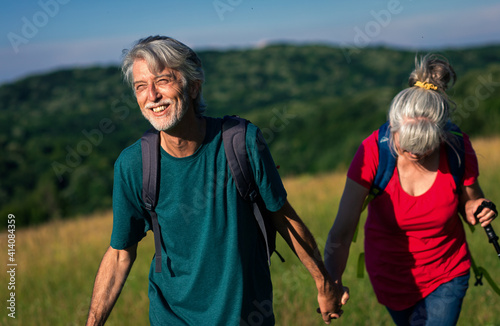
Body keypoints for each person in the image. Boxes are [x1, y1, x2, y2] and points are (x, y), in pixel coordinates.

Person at [86, 35, 346, 326]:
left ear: (193, 86)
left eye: (163, 81)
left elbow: (283, 218)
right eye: (141, 87)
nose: (152, 96)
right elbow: (121, 253)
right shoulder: (133, 165)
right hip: (172, 319)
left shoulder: (242, 142)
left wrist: (324, 285)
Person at [324, 54, 497, 325]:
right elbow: (342, 230)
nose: (413, 153)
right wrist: (331, 284)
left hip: (447, 271)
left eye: (424, 147)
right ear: (393, 128)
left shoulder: (457, 147)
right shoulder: (373, 150)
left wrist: (476, 208)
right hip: (390, 276)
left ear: (441, 135)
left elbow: (470, 204)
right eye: (404, 144)